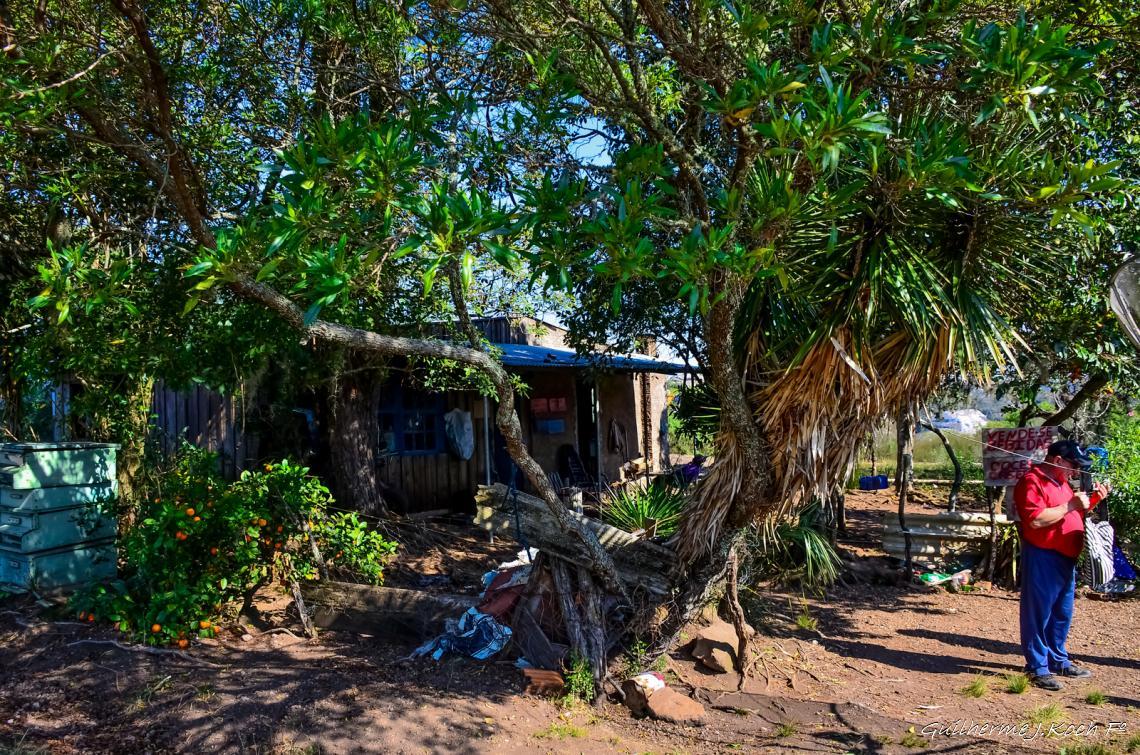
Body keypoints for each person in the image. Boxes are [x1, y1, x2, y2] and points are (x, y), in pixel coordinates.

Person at [1013, 439, 1109, 691]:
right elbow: (1035, 520)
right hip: (1043, 555)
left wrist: (1094, 500)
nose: (1076, 471)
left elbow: (1070, 515)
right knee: (1038, 613)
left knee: (1061, 614)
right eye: (1074, 465)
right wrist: (1072, 504)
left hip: (1066, 559)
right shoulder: (1032, 482)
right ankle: (1037, 666)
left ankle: (1058, 660)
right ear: (1057, 460)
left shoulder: (1061, 482)